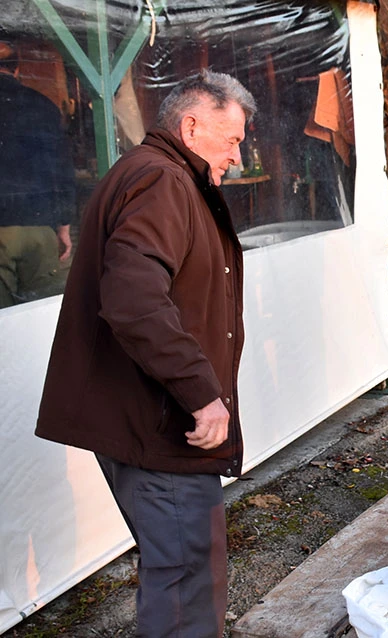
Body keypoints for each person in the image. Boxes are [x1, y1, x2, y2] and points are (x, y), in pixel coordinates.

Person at [35, 69, 256, 637]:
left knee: (182, 568)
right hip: (159, 424)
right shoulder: (162, 180)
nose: (238, 154)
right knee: (184, 575)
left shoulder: (162, 175)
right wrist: (201, 393)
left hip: (152, 417)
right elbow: (134, 299)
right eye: (231, 139)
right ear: (191, 126)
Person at [0, 40, 75, 307]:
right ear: (18, 70)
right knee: (42, 314)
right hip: (39, 227)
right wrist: (64, 226)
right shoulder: (43, 106)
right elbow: (62, 170)